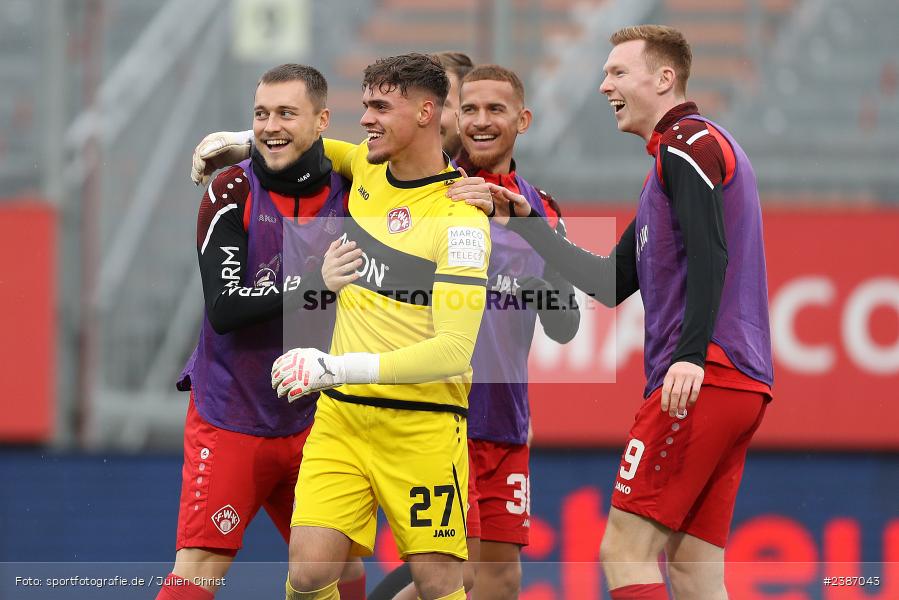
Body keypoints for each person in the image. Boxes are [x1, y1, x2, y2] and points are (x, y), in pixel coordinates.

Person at [453, 25, 773, 600]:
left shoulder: (688, 144)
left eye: (618, 72)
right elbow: (608, 284)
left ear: (664, 78)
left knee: (624, 552)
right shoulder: (668, 168)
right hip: (738, 382)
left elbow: (711, 252)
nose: (604, 86)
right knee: (694, 568)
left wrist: (690, 356)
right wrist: (529, 224)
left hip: (701, 377)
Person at [268, 53, 494, 600]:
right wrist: (234, 142)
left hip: (422, 427)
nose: (366, 118)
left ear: (425, 112)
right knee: (308, 572)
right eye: (366, 104)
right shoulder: (368, 166)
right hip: (342, 417)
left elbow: (453, 351)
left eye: (380, 107)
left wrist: (334, 367)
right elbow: (312, 144)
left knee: (439, 584)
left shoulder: (461, 221)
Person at [158, 64, 366, 600]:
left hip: (318, 419)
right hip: (232, 414)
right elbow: (224, 307)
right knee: (200, 566)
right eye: (261, 114)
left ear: (322, 120)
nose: (272, 126)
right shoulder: (231, 188)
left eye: (286, 114)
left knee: (340, 568)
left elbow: (420, 162)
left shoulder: (355, 192)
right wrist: (313, 284)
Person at [378, 63, 581, 600]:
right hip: (440, 414)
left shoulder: (542, 212)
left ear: (523, 119)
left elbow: (566, 326)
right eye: (469, 109)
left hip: (505, 421)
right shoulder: (430, 191)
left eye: (495, 109)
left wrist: (540, 289)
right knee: (452, 574)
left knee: (500, 580)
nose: (481, 121)